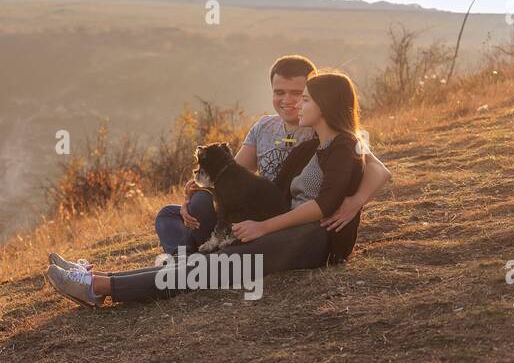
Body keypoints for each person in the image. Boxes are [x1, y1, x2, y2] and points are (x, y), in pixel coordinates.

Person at [47, 69, 374, 308]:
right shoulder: (309, 147)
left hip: (318, 240)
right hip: (290, 230)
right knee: (216, 257)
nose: (297, 106)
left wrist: (264, 226)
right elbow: (270, 190)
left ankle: (98, 286)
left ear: (326, 105)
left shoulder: (346, 147)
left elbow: (324, 204)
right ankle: (97, 276)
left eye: (305, 99)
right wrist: (207, 188)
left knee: (217, 266)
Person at [152, 54, 390, 258]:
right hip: (249, 211)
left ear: (316, 95)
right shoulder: (264, 127)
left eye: (298, 94)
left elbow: (378, 170)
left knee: (222, 244)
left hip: (277, 217)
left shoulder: (323, 131)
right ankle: (188, 257)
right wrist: (190, 198)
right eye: (279, 92)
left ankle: (195, 259)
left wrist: (357, 200)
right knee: (175, 212)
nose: (287, 101)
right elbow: (227, 177)